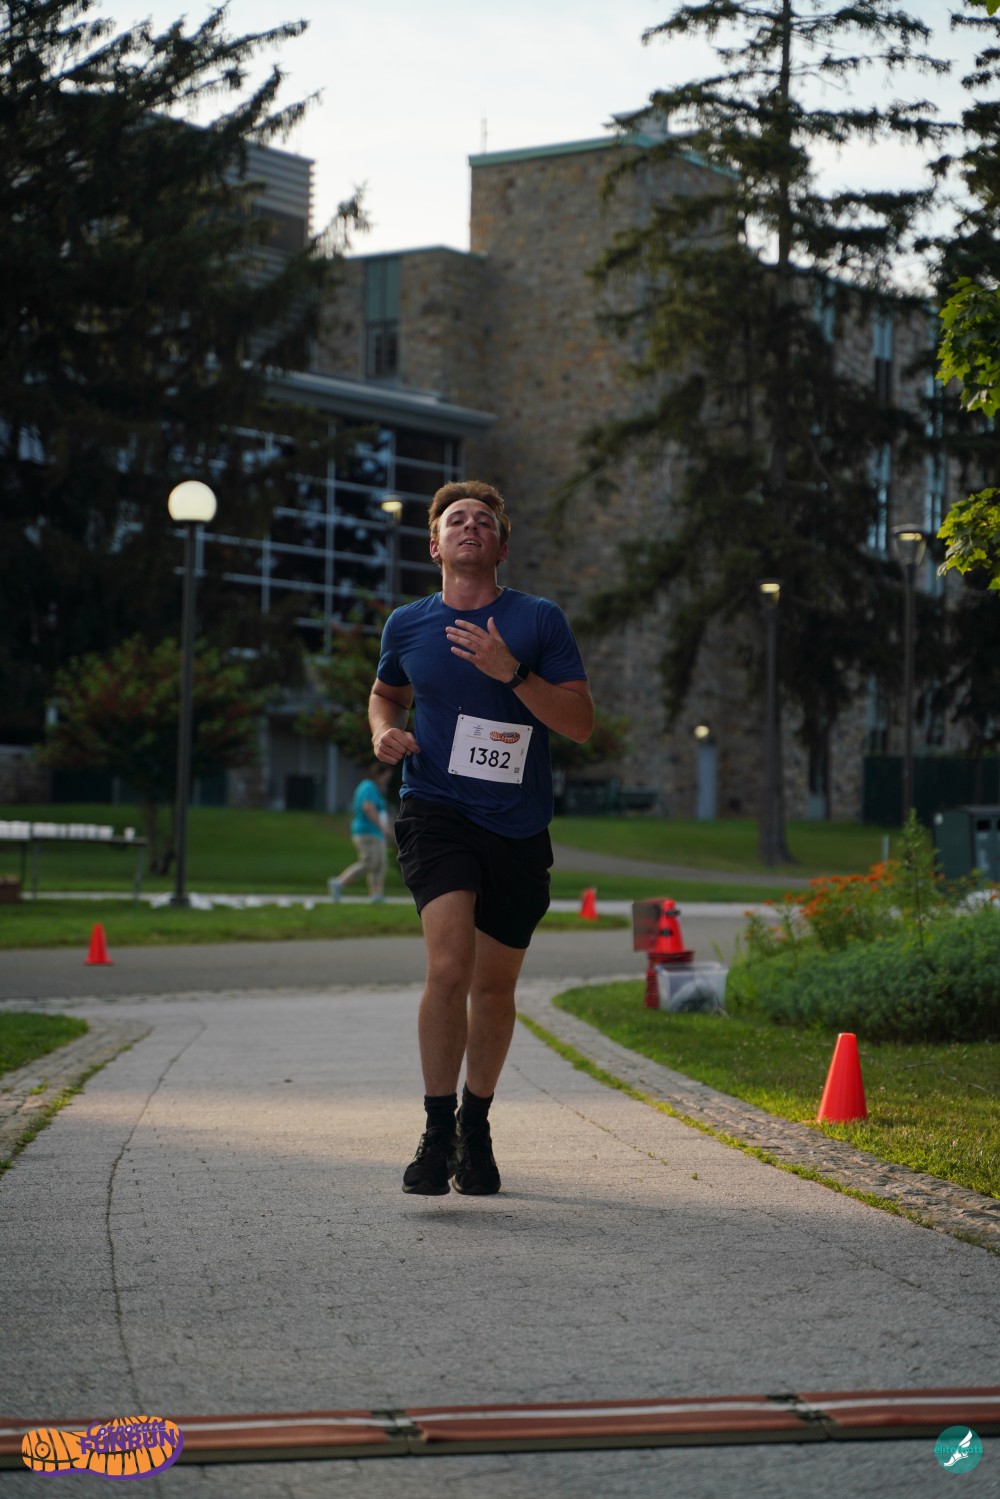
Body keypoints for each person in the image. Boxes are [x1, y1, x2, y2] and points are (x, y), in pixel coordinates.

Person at [369, 480, 593, 1196]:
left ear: (501, 546)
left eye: (484, 521)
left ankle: (477, 1123)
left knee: (494, 986)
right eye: (455, 520)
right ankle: (436, 1133)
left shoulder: (538, 620)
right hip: (436, 810)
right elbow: (387, 693)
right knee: (448, 967)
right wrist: (383, 731)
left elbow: (580, 723)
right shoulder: (407, 624)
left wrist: (512, 672)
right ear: (435, 545)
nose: (470, 526)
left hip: (518, 825)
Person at [329, 762, 392, 903]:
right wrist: (383, 827)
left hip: (375, 832)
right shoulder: (368, 787)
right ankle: (339, 882)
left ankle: (377, 894)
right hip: (366, 831)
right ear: (378, 775)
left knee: (380, 863)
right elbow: (368, 808)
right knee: (370, 862)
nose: (386, 781)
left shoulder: (374, 789)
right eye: (385, 777)